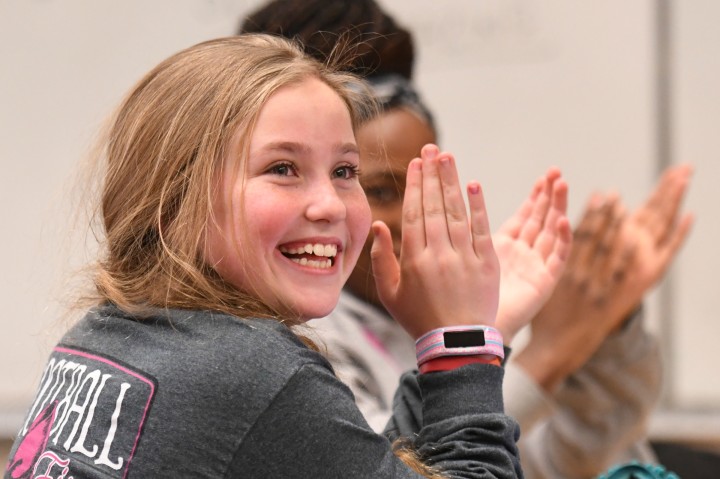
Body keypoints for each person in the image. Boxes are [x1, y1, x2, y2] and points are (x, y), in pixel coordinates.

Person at [4, 33, 536, 478]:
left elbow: (359, 464)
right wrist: (463, 344)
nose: (330, 204)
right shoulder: (249, 371)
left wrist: (467, 338)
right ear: (176, 200)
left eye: (345, 172)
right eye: (283, 168)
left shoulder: (105, 336)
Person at [239, 1, 694, 477]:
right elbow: (393, 469)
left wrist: (603, 320)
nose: (415, 216)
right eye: (370, 185)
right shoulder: (291, 343)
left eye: (429, 186)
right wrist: (543, 349)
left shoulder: (420, 303)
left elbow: (555, 459)